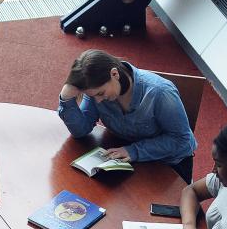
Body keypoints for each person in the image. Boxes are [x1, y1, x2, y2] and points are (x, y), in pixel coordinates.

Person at [57, 49, 197, 183]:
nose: (98, 101)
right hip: (127, 159)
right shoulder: (96, 93)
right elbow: (81, 130)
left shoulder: (160, 92)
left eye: (101, 93)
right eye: (92, 96)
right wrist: (66, 98)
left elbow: (181, 140)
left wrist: (134, 150)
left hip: (168, 163)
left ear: (115, 74)